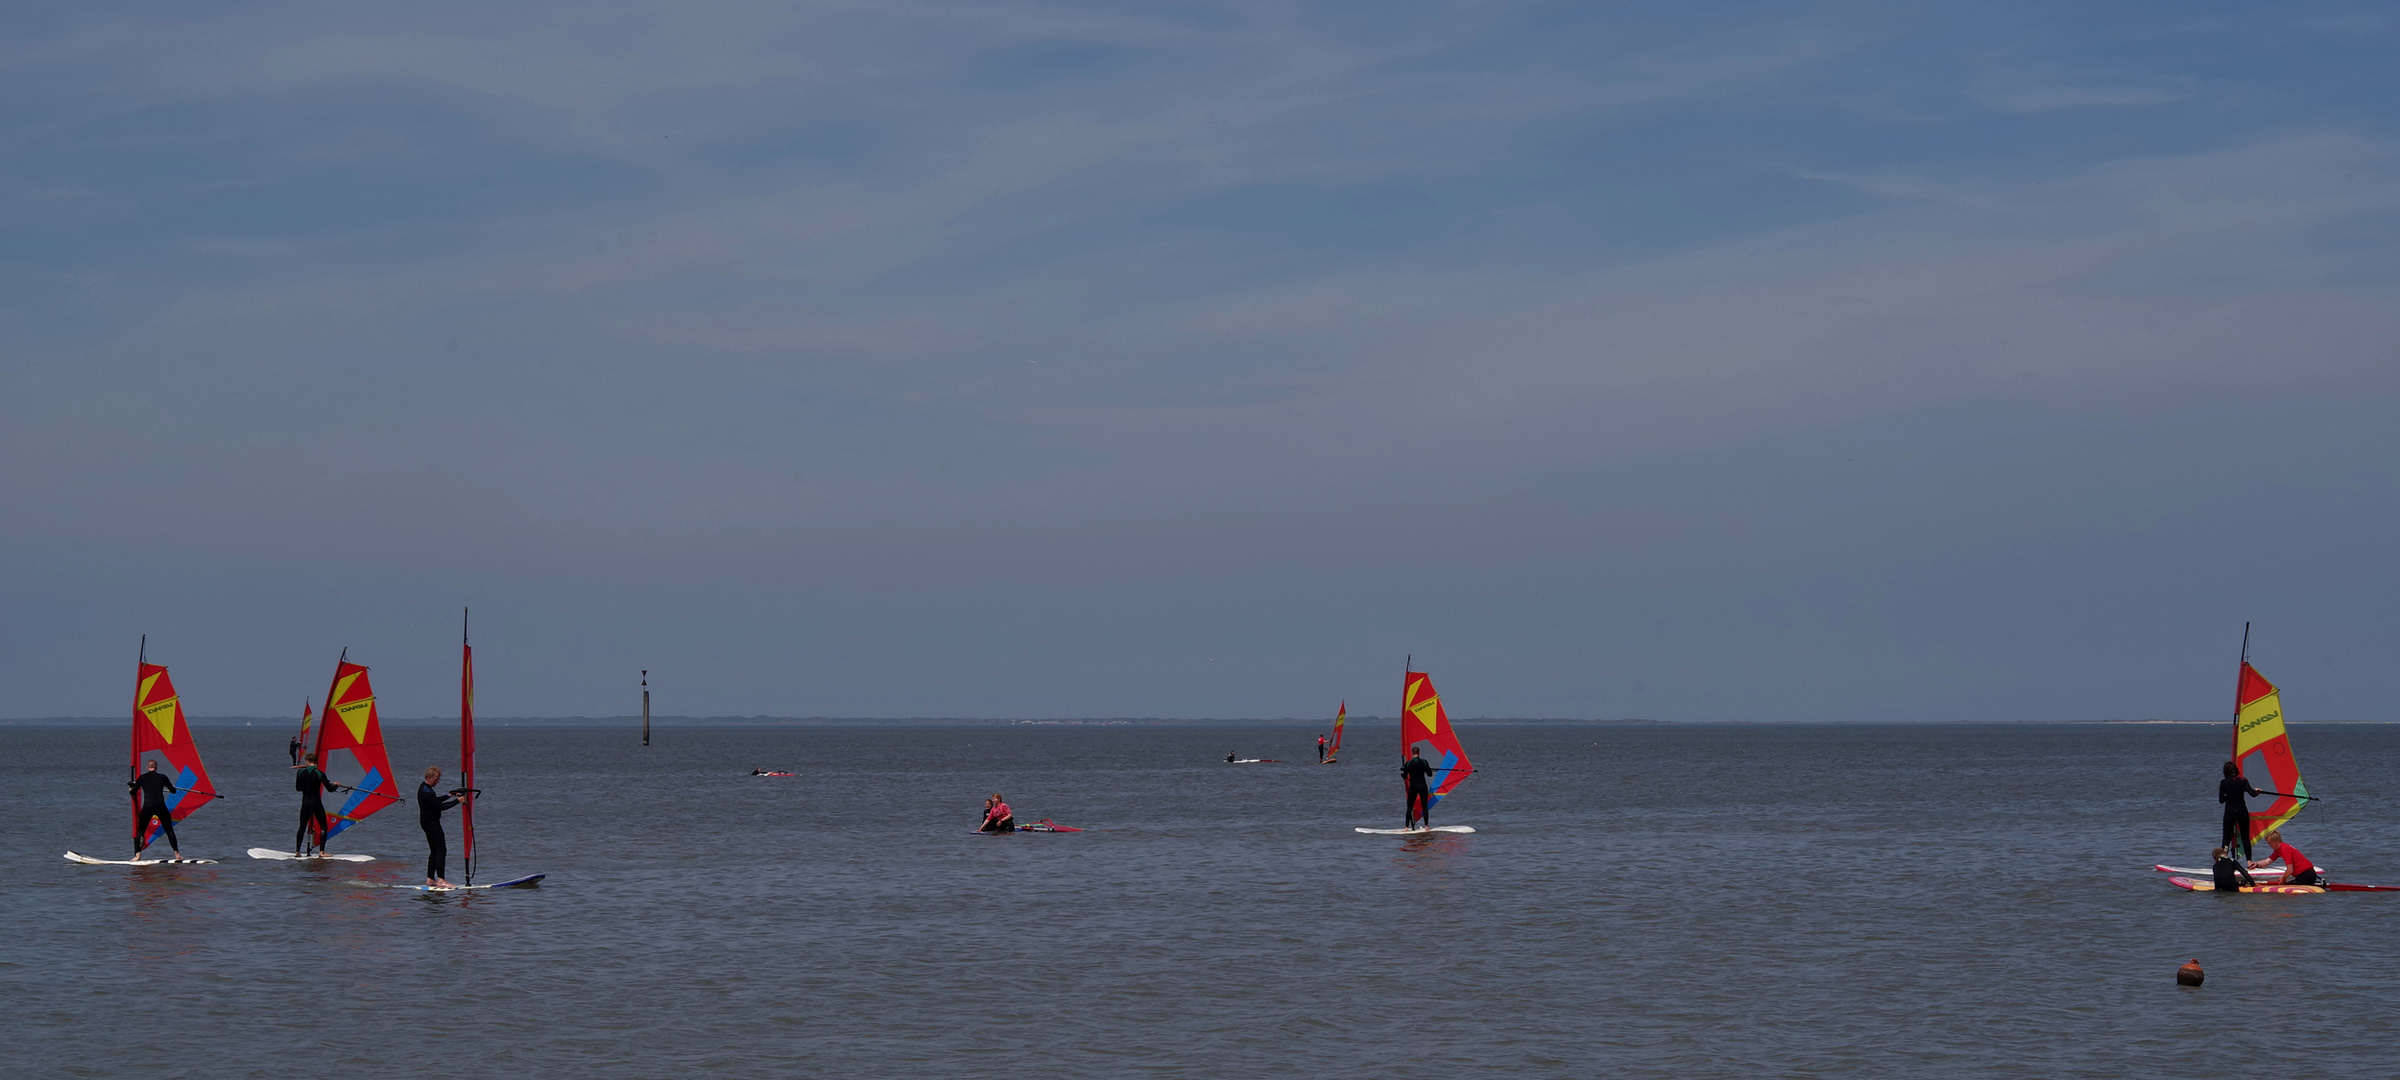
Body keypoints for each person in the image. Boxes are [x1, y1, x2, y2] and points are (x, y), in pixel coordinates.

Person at [127, 758, 185, 860]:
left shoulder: (142, 778)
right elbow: (173, 791)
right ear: (156, 768)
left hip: (148, 806)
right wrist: (172, 786)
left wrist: (131, 789)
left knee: (141, 830)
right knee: (169, 829)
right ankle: (177, 854)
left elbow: (133, 793)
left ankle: (138, 855)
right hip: (160, 806)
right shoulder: (162, 777)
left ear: (147, 768)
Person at [292, 752, 344, 856]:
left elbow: (298, 788)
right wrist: (336, 785)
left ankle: (297, 852)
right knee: (324, 826)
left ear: (307, 761)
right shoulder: (320, 774)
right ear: (315, 762)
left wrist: (305, 785)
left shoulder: (300, 773)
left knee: (302, 827)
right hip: (316, 803)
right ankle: (321, 852)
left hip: (305, 803)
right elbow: (330, 789)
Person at [418, 766, 461, 888]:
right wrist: (458, 801)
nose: (438, 781)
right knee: (441, 850)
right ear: (429, 778)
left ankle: (431, 879)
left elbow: (435, 800)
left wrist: (449, 795)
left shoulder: (426, 788)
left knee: (434, 851)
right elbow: (440, 807)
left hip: (428, 822)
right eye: (436, 779)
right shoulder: (426, 792)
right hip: (431, 824)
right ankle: (441, 880)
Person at [2220, 761, 2263, 861]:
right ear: (2236, 770)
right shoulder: (2243, 781)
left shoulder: (2224, 783)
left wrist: (2230, 795)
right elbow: (2253, 794)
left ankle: (2223, 861)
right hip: (2242, 811)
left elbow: (2221, 800)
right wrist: (2258, 791)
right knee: (2245, 838)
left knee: (2226, 839)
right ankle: (2249, 862)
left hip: (2229, 812)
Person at [2251, 830, 2320, 886]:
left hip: (2305, 875)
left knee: (2292, 897)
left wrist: (2283, 878)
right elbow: (2267, 862)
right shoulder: (2278, 850)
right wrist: (2256, 864)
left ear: (2276, 842)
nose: (2269, 846)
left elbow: (2290, 870)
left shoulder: (2284, 849)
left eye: (2270, 843)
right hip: (2307, 874)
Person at [1401, 747, 1434, 829]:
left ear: (1412, 753)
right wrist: (1428, 769)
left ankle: (1406, 828)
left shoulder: (1408, 763)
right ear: (1419, 752)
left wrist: (1403, 771)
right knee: (1424, 806)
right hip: (1422, 786)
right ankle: (1426, 826)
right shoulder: (1424, 762)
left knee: (1409, 807)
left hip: (1413, 787)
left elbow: (1404, 776)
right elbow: (1429, 774)